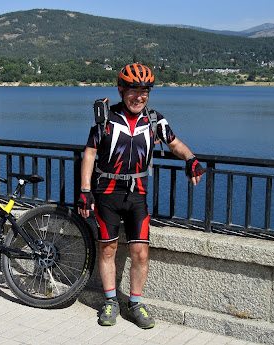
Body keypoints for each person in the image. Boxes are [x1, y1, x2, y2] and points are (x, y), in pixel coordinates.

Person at [77, 63, 204, 329]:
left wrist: (190, 159)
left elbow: (174, 143)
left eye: (144, 90)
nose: (139, 96)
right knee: (108, 249)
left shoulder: (155, 120)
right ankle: (110, 301)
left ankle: (135, 303)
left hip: (137, 195)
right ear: (121, 90)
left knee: (141, 253)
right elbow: (89, 153)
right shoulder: (106, 120)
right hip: (106, 193)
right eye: (133, 90)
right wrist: (85, 191)